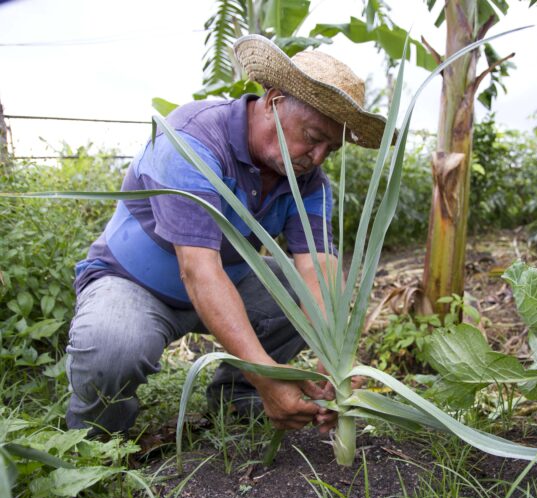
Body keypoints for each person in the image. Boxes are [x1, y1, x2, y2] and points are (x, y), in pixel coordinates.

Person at [65, 34, 387, 436]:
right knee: (114, 348)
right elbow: (199, 270)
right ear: (273, 102)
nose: (317, 157)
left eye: (330, 149)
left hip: (228, 279)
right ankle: (94, 443)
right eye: (312, 137)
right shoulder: (194, 140)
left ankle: (238, 395)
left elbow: (320, 271)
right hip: (133, 284)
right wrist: (267, 374)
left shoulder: (310, 183)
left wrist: (335, 356)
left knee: (297, 291)